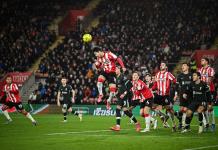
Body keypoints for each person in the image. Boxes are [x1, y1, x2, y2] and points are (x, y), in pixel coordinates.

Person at [110, 68, 140, 132]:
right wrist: (117, 93)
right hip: (121, 97)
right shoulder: (117, 78)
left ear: (119, 70)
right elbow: (121, 87)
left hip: (125, 96)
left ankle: (118, 126)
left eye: (116, 69)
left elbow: (130, 85)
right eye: (115, 69)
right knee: (126, 112)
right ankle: (137, 123)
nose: (115, 70)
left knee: (118, 109)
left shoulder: (123, 76)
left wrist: (124, 93)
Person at [152, 62, 177, 132]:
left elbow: (174, 80)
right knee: (152, 106)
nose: (161, 66)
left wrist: (170, 86)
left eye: (163, 65)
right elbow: (155, 84)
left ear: (166, 67)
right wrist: (153, 88)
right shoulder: (157, 74)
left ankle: (174, 124)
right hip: (158, 94)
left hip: (165, 95)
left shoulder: (168, 74)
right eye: (161, 65)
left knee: (169, 109)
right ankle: (164, 115)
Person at [198, 57, 215, 131]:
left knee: (210, 107)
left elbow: (210, 78)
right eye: (201, 60)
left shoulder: (210, 69)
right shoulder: (200, 70)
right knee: (204, 108)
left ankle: (213, 123)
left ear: (207, 62)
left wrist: (207, 86)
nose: (201, 61)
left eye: (203, 60)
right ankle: (207, 124)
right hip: (202, 91)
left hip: (210, 90)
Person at [174, 63, 192, 129]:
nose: (182, 67)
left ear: (188, 67)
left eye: (184, 65)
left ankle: (185, 125)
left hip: (189, 95)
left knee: (186, 109)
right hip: (181, 94)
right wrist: (176, 95)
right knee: (181, 109)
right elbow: (176, 86)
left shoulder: (191, 75)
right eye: (182, 66)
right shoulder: (180, 76)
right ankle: (181, 122)